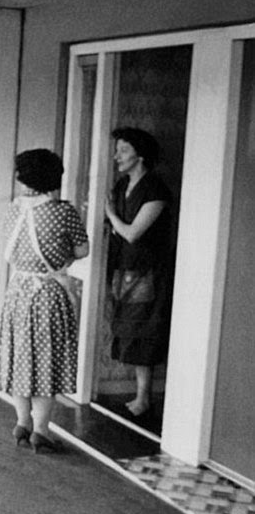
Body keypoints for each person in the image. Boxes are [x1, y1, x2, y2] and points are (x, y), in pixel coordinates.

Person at [0, 149, 89, 453]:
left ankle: (22, 422)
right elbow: (83, 250)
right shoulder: (63, 212)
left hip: (18, 290)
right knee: (47, 360)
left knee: (20, 357)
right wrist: (65, 257)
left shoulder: (13, 210)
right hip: (48, 293)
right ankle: (42, 429)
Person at [104, 127, 173, 418]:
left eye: (124, 150)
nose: (117, 156)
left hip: (147, 272)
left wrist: (110, 214)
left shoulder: (156, 190)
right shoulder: (122, 186)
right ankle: (140, 395)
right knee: (127, 329)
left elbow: (132, 233)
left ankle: (144, 397)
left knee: (143, 332)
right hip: (123, 268)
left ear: (140, 155)